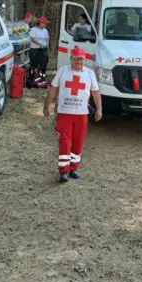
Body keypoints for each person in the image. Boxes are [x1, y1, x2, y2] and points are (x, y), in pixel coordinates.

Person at [43, 46, 102, 183]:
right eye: (76, 60)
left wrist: (99, 109)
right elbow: (53, 88)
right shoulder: (63, 71)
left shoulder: (90, 73)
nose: (79, 63)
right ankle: (63, 171)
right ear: (71, 59)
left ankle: (73, 168)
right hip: (65, 113)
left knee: (78, 141)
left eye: (81, 60)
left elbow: (95, 93)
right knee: (64, 141)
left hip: (81, 114)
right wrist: (47, 105)